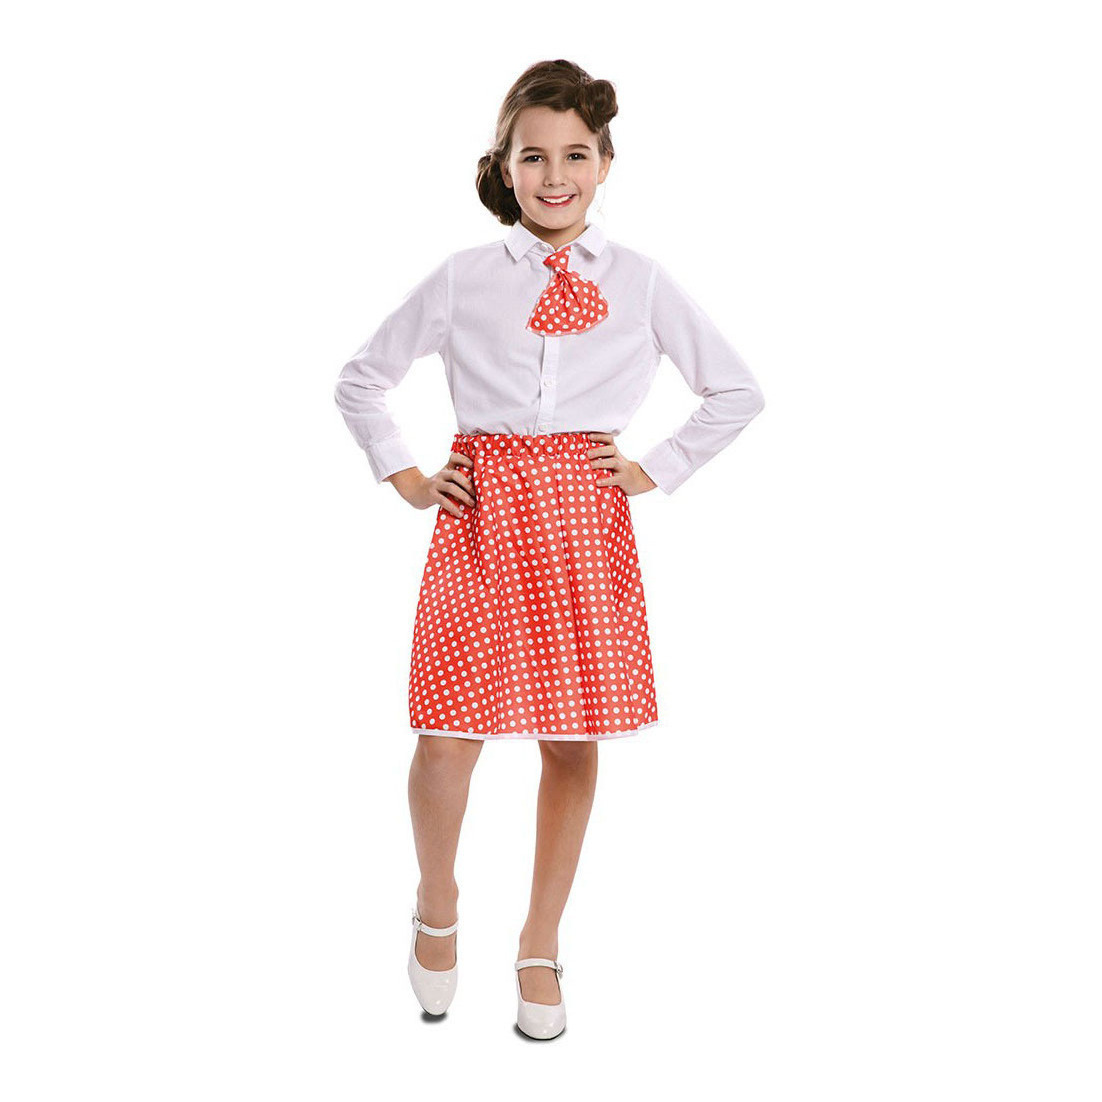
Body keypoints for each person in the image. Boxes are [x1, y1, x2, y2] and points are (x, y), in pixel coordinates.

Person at [334, 58, 765, 1040]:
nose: (555, 175)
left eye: (576, 154)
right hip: (481, 517)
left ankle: (539, 939)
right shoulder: (464, 277)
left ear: (605, 163)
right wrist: (407, 474)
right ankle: (437, 903)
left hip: (582, 522)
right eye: (534, 156)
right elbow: (362, 378)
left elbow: (736, 390)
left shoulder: (641, 281)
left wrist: (654, 467)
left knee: (570, 739)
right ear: (506, 165)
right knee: (448, 731)